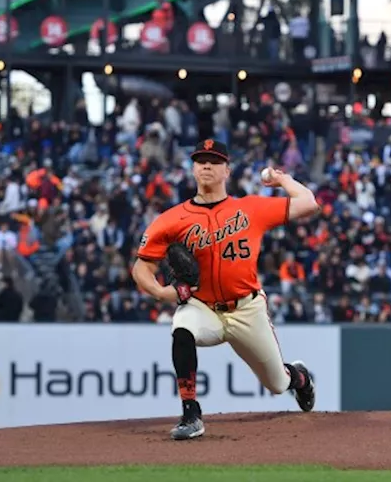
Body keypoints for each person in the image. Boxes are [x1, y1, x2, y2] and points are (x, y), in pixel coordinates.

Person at [131, 139, 321, 441]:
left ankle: (298, 377)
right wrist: (163, 293)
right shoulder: (170, 220)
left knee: (276, 383)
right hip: (202, 306)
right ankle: (191, 413)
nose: (207, 165)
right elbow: (142, 268)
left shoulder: (251, 208)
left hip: (247, 308)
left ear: (227, 171)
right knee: (181, 327)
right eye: (201, 160)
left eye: (215, 161)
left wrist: (282, 179)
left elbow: (309, 202)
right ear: (193, 169)